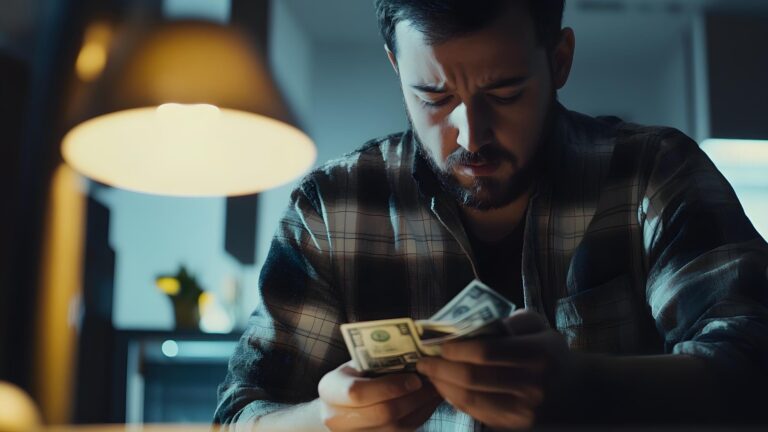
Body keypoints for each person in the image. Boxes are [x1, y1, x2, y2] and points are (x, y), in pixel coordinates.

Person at [214, 0, 768, 430]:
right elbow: (238, 416)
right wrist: (324, 420)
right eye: (433, 97)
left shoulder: (654, 172)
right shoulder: (333, 207)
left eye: (504, 93)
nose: (470, 135)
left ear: (559, 61)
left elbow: (753, 361)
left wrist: (588, 387)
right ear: (395, 67)